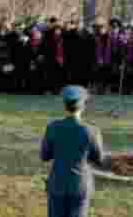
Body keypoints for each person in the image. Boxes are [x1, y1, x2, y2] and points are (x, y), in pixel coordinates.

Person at [40, 85, 106, 217]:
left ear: (64, 106)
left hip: (57, 184)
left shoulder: (52, 127)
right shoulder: (92, 131)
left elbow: (44, 156)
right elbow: (99, 159)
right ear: (83, 106)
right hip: (80, 185)